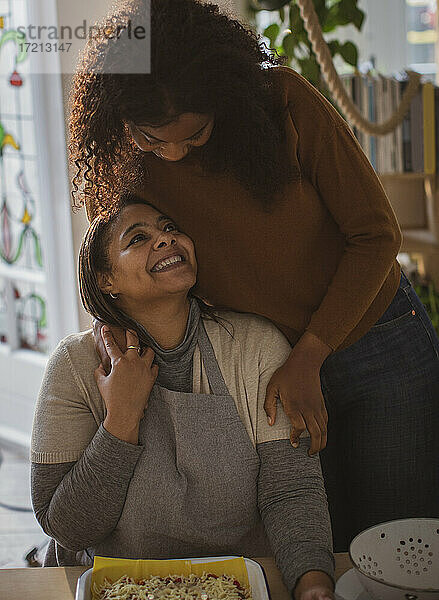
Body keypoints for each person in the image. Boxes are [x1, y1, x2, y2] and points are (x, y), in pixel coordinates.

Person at [68, 0, 439, 552]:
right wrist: (113, 326)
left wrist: (309, 356)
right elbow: (115, 260)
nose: (171, 154)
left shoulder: (282, 102)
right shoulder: (127, 153)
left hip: (378, 344)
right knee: (321, 544)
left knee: (399, 546)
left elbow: (376, 235)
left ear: (225, 99)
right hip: (270, 366)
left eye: (194, 137)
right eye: (153, 138)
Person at [31, 194, 335, 600]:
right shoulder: (72, 366)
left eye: (170, 228)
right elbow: (66, 527)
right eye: (138, 238)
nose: (165, 239)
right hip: (115, 588)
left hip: (236, 586)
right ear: (107, 280)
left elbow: (291, 490)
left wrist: (313, 584)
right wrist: (120, 421)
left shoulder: (255, 345)